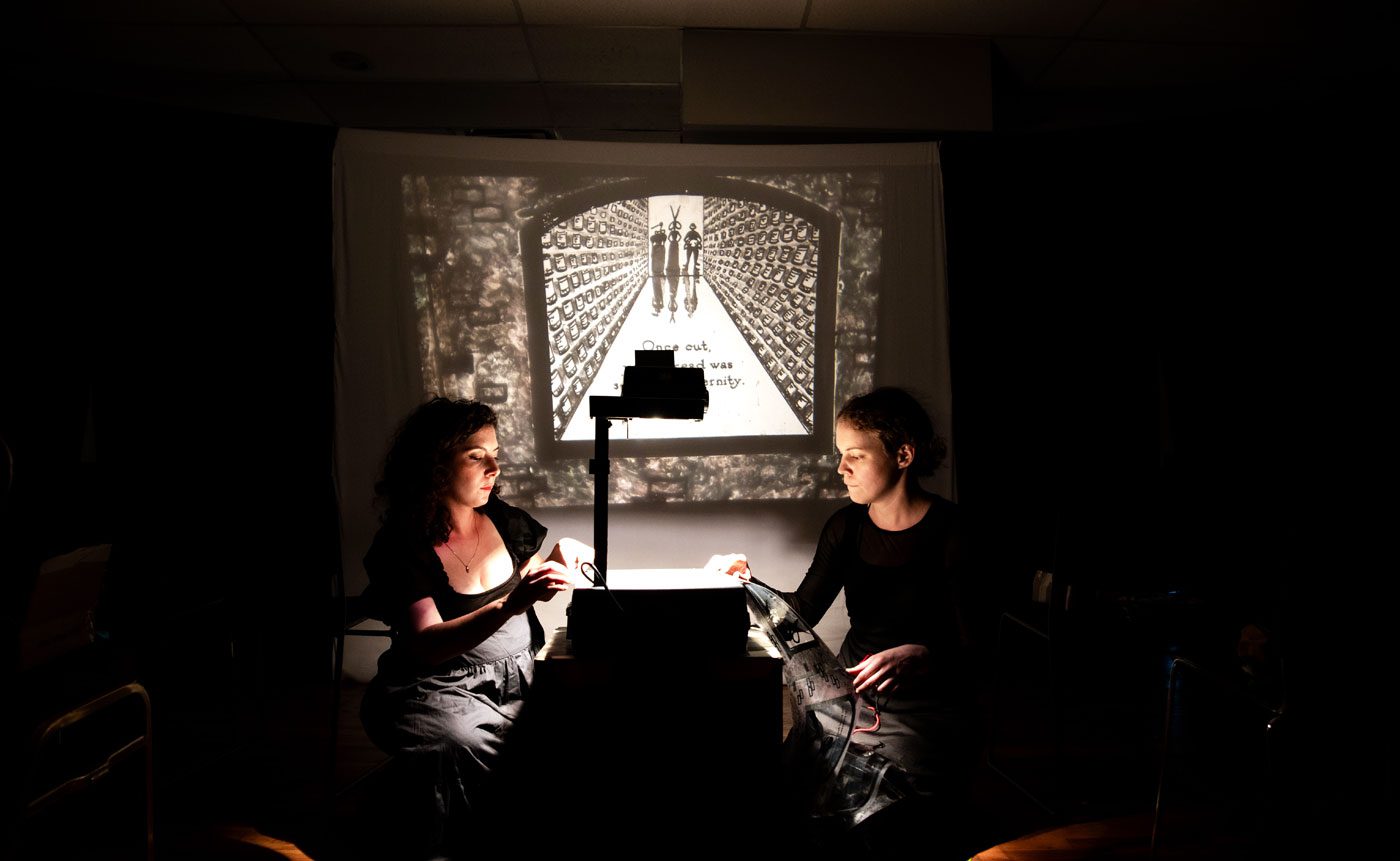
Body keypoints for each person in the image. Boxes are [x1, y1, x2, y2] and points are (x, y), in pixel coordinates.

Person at [710, 387, 979, 854]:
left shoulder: (954, 532)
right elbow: (804, 611)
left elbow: (979, 648)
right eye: (840, 455)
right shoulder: (846, 527)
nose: (841, 469)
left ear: (903, 455)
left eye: (855, 455)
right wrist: (749, 581)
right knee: (787, 797)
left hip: (928, 710)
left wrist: (925, 655)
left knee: (885, 821)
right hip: (852, 699)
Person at [358, 397, 591, 856]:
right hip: (434, 686)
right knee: (465, 741)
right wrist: (509, 607)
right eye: (475, 455)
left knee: (579, 734)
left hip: (519, 679)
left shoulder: (505, 521)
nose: (493, 468)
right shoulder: (403, 545)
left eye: (496, 455)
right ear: (436, 463)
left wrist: (562, 558)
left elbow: (533, 578)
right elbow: (425, 645)